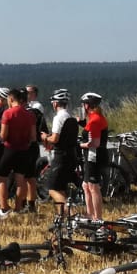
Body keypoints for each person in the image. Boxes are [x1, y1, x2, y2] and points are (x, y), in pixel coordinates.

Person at [0, 87, 37, 216]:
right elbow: (33, 137)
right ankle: (18, 208)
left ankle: (4, 208)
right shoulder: (30, 115)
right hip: (24, 149)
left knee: (1, 178)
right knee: (20, 180)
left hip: (9, 148)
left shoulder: (8, 113)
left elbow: (3, 135)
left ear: (11, 99)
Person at [42, 89, 80, 208]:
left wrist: (45, 137)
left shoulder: (58, 118)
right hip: (71, 155)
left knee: (52, 189)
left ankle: (70, 213)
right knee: (61, 188)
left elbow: (55, 139)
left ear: (55, 103)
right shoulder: (69, 116)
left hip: (60, 157)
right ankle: (62, 216)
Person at [80, 92, 109, 220]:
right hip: (92, 155)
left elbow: (94, 143)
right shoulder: (96, 117)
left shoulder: (95, 120)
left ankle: (98, 218)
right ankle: (90, 214)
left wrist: (79, 145)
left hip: (94, 156)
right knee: (85, 186)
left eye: (83, 104)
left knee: (93, 187)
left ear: (87, 105)